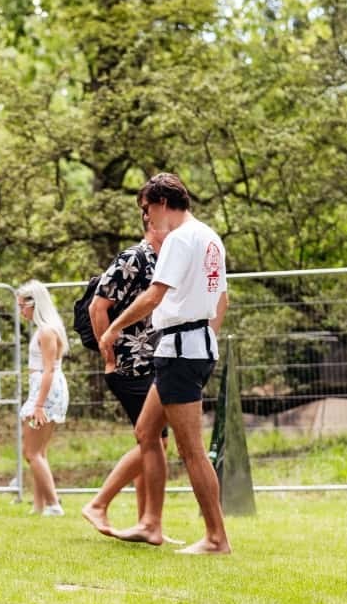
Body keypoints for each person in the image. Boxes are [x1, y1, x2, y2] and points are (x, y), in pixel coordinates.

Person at [99, 173, 231, 555]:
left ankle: (216, 537)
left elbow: (154, 296)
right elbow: (221, 299)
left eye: (146, 209)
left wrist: (114, 330)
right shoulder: (210, 237)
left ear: (160, 203)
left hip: (180, 349)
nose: (147, 219)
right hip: (194, 345)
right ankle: (150, 523)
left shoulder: (178, 238)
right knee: (146, 432)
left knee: (190, 450)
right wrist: (207, 340)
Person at [81, 213, 171, 536]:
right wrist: (110, 355)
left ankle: (146, 523)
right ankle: (98, 504)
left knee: (153, 443)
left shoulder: (164, 260)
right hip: (130, 365)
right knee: (154, 441)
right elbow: (97, 307)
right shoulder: (134, 257)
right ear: (152, 224)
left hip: (154, 361)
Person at [16, 280, 70, 516]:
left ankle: (53, 504)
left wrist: (38, 405)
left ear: (34, 305)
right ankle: (39, 505)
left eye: (22, 306)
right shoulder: (43, 329)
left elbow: (49, 369)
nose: (21, 311)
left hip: (45, 390)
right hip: (43, 388)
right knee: (39, 451)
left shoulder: (47, 331)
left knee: (32, 452)